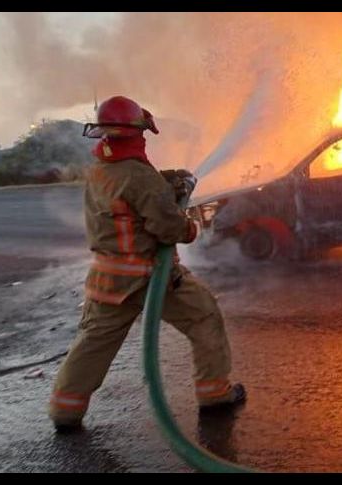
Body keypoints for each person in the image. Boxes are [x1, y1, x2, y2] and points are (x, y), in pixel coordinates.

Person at [48, 96, 245, 433]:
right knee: (204, 315)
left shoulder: (100, 169)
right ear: (137, 133)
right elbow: (168, 226)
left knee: (93, 342)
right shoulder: (139, 177)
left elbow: (134, 190)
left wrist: (166, 180)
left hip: (108, 281)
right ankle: (214, 394)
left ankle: (65, 410)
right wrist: (191, 227)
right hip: (151, 278)